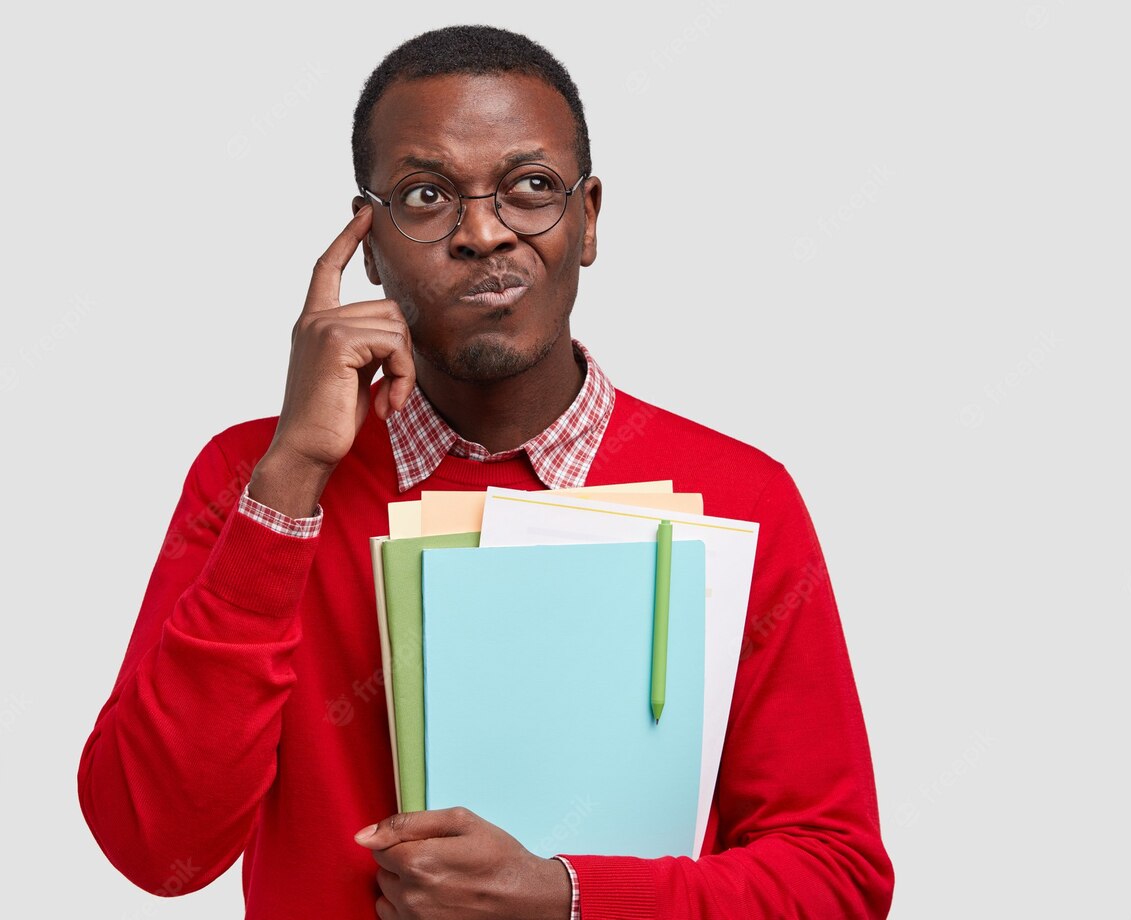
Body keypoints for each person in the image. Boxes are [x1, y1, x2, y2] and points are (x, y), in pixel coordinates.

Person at [77, 24, 894, 920]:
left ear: (588, 221)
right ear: (370, 244)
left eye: (530, 188)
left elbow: (837, 879)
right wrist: (294, 478)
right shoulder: (255, 476)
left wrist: (569, 897)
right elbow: (159, 852)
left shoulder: (742, 495)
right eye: (426, 195)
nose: (481, 232)